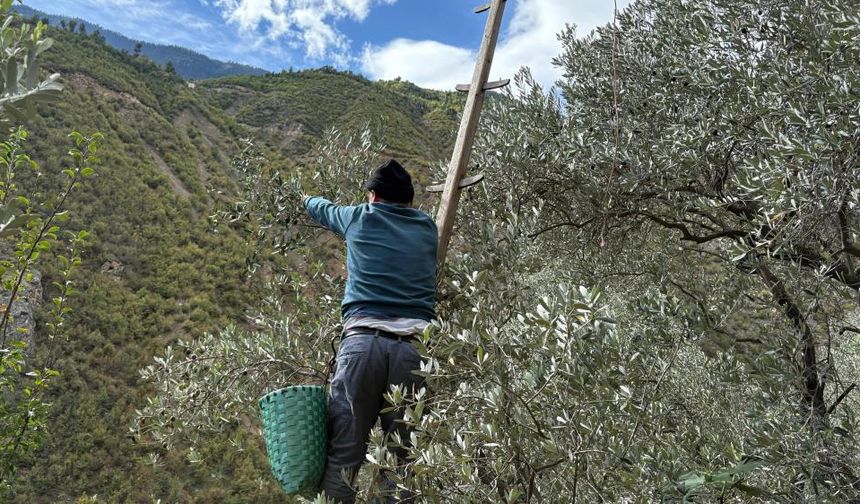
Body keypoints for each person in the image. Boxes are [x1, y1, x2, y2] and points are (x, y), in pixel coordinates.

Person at [302, 159, 437, 503]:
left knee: (344, 458)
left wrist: (305, 198)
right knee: (404, 462)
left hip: (362, 347)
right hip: (414, 355)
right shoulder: (427, 227)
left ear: (373, 196)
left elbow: (320, 208)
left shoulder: (359, 216)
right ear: (409, 202)